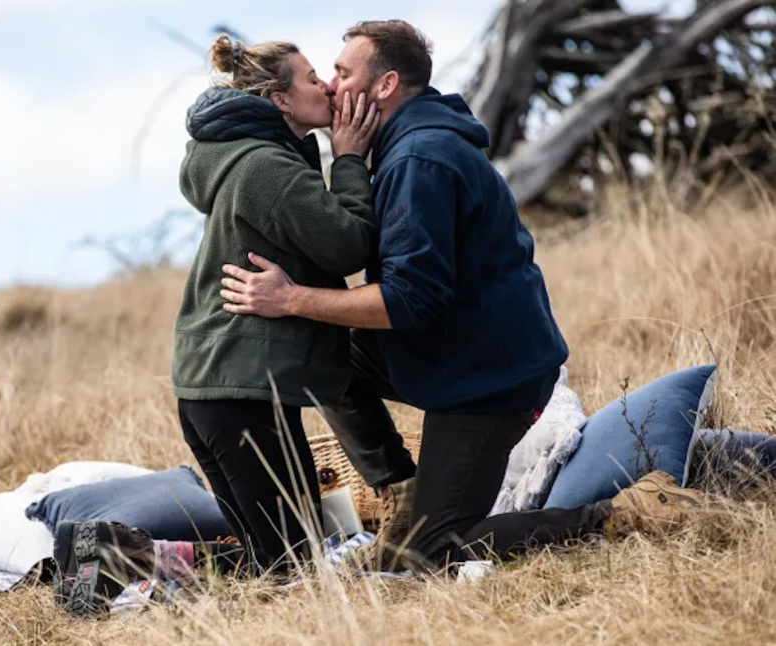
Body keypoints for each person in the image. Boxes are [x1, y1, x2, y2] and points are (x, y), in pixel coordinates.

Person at [219, 20, 706, 571]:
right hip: (455, 353)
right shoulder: (408, 144)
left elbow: (408, 301)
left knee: (431, 554)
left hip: (489, 382)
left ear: (385, 86)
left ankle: (622, 512)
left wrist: (292, 299)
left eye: (341, 72)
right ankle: (400, 492)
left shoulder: (417, 161)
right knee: (318, 355)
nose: (331, 87)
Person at [170, 36, 383, 573]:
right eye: (313, 78)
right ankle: (120, 559)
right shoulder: (267, 168)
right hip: (243, 393)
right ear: (281, 101)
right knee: (293, 565)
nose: (328, 86)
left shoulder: (239, 157)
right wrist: (350, 157)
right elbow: (350, 243)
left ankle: (125, 561)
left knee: (271, 561)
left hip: (212, 388)